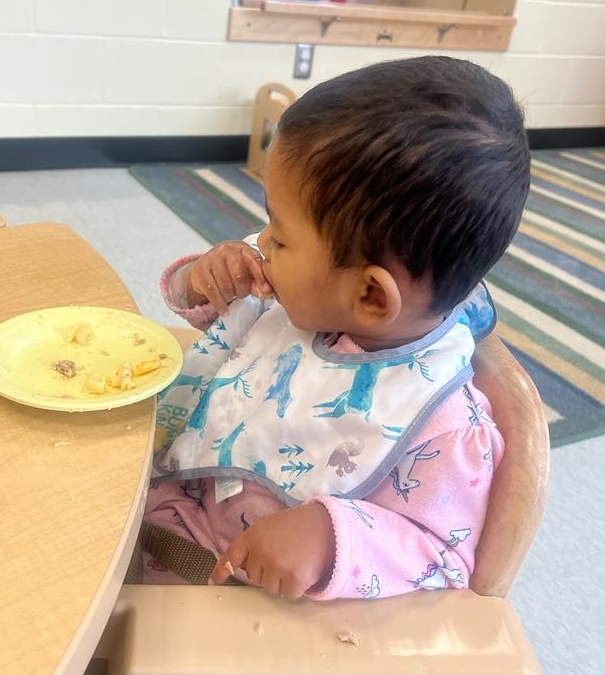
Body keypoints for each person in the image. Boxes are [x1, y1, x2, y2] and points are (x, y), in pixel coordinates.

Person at [139, 55, 531, 601]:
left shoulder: (441, 426)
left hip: (229, 593)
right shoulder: (308, 292)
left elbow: (442, 556)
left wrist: (332, 536)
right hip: (166, 494)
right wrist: (203, 282)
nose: (262, 245)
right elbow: (210, 323)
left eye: (280, 236)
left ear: (370, 295)